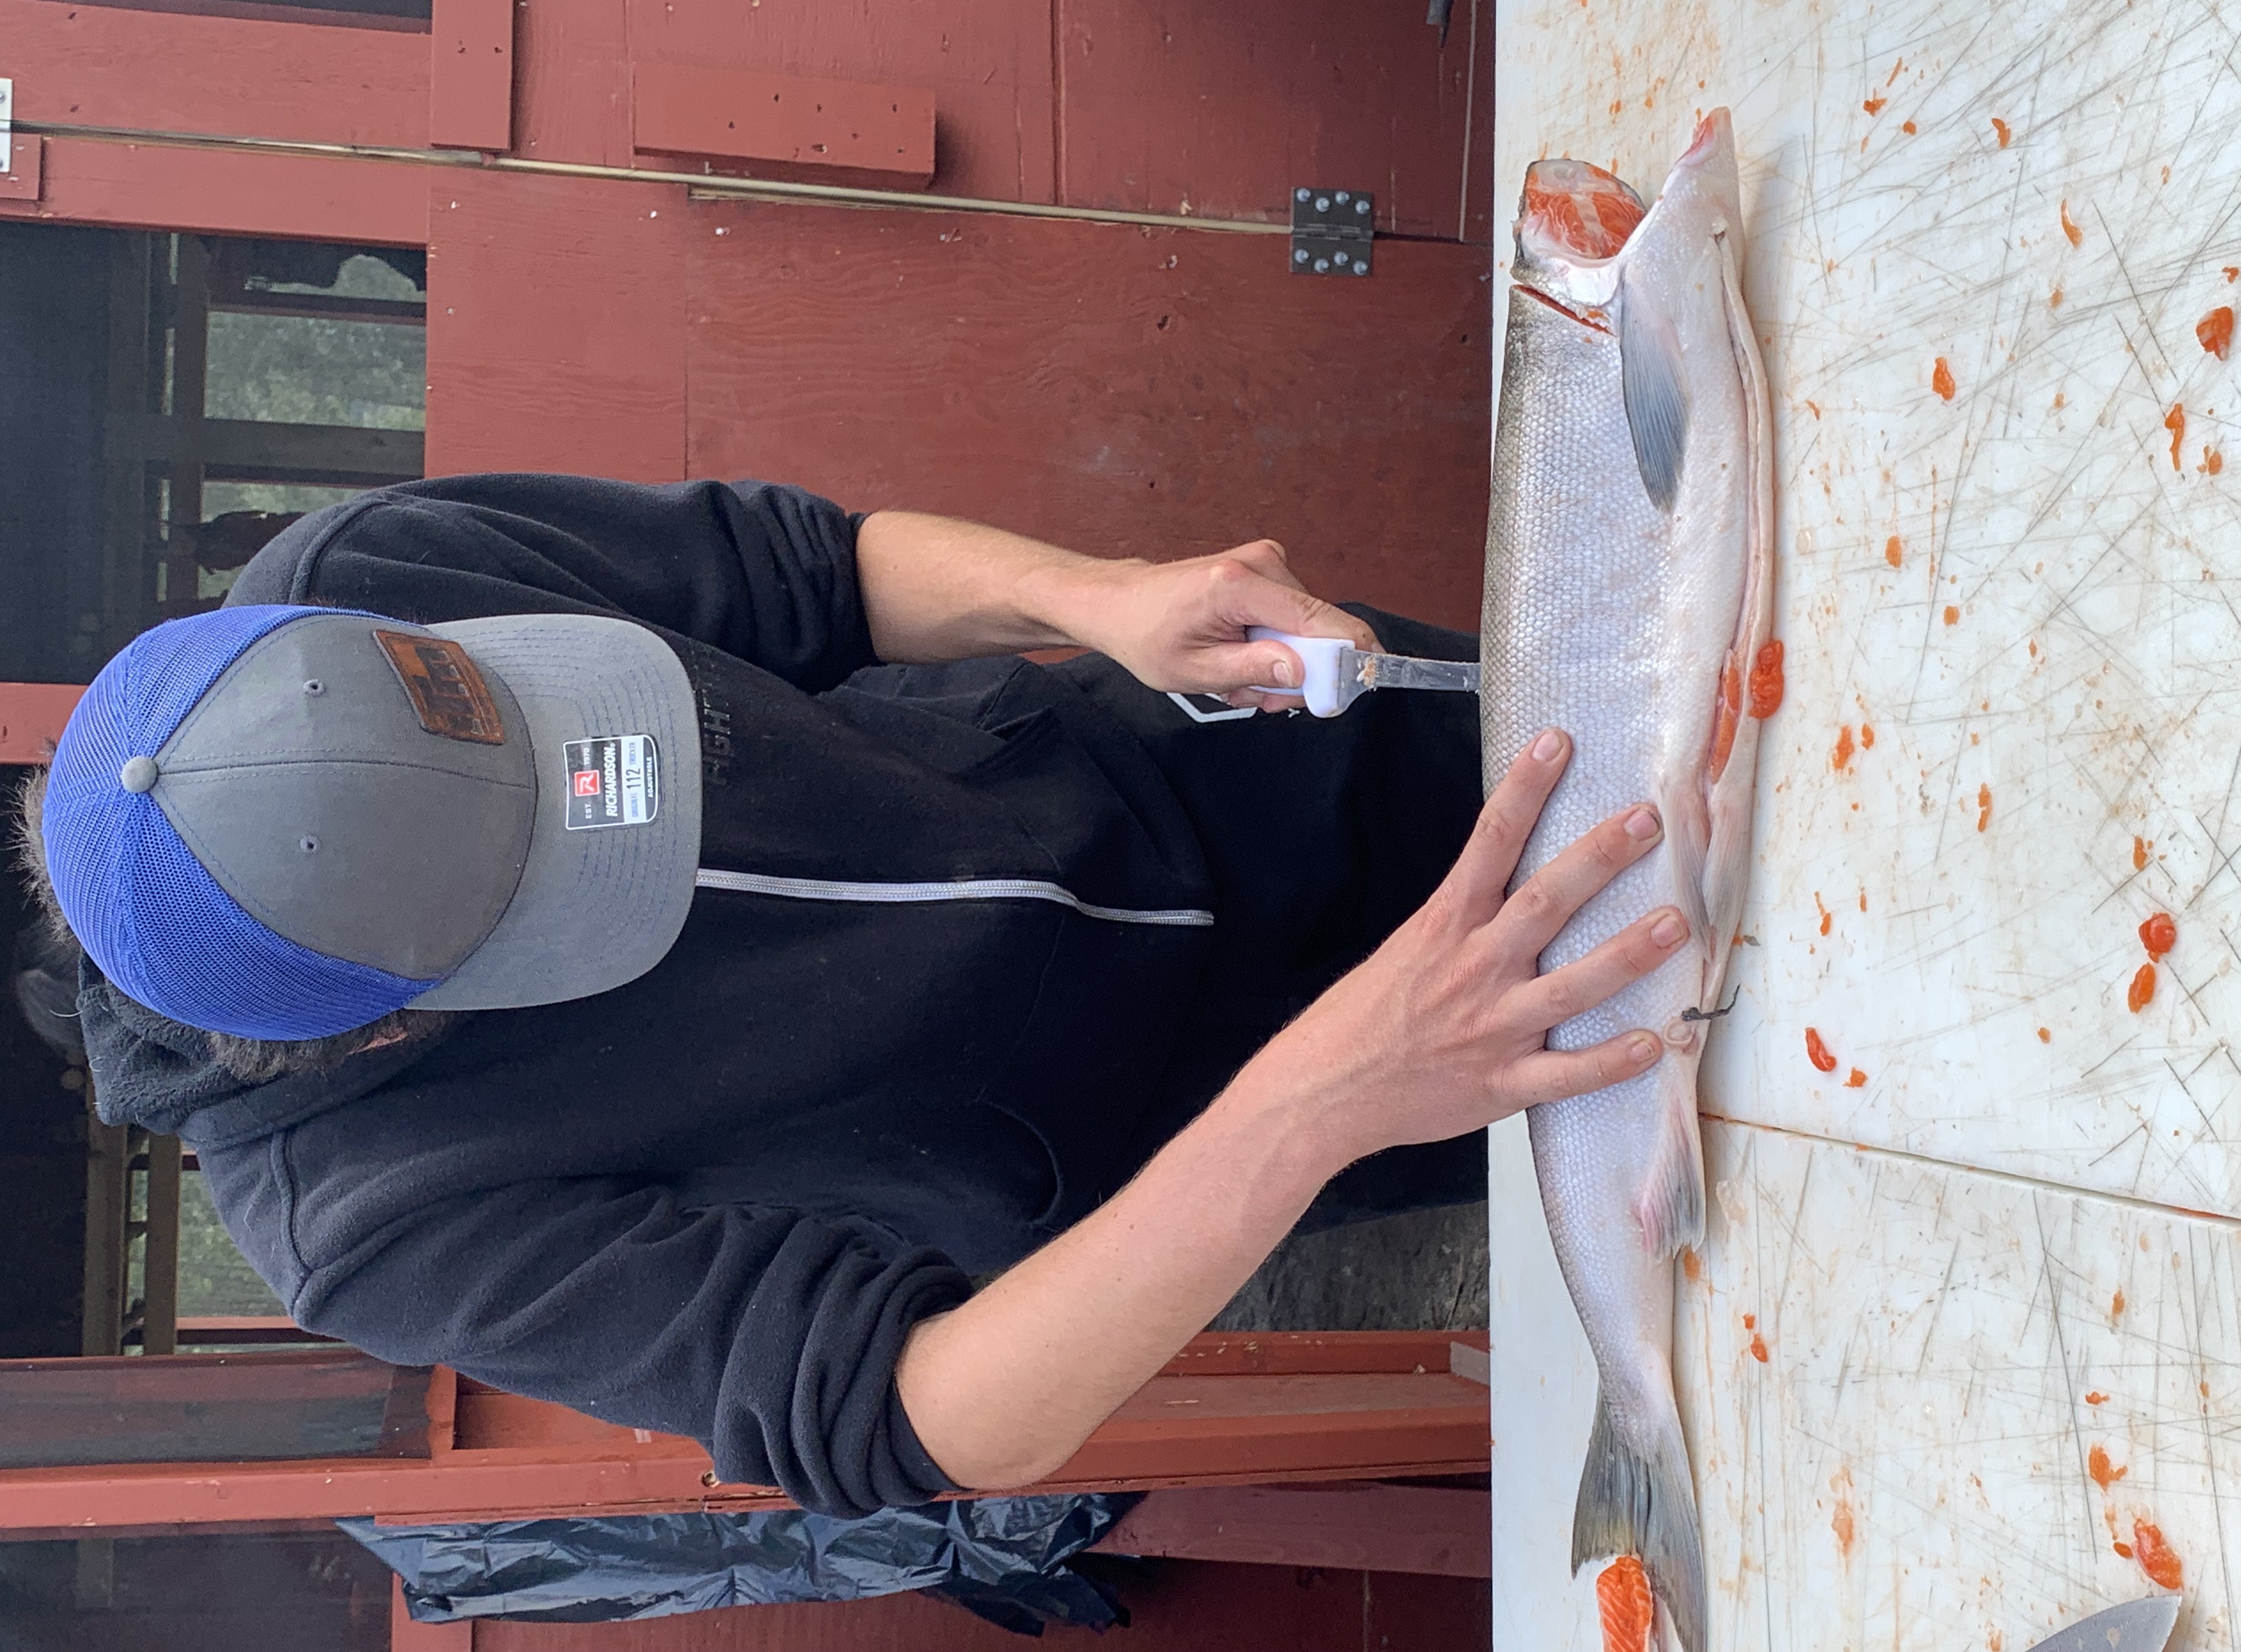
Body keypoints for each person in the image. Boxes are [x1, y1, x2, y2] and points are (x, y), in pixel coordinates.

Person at [16, 475, 1682, 1515]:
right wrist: (1317, 1107)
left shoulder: (381, 562)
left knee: (1692, 745)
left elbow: (804, 570)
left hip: (1192, 756)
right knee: (1713, 1049)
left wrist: (1093, 597)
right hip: (1206, 1098)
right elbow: (917, 1412)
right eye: (550, 885)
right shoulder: (367, 1215)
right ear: (378, 1024)